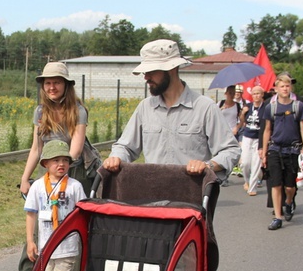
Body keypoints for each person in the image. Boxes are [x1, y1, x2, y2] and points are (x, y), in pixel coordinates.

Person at [6, 61, 99, 271]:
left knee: (72, 221)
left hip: (73, 168)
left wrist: (60, 171)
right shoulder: (40, 111)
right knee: (40, 216)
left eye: (56, 82)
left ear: (66, 85)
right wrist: (26, 178)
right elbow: (36, 148)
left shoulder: (78, 110)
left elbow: (75, 149)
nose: (51, 87)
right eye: (47, 83)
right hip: (48, 167)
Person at [103, 39, 240, 180]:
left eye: (151, 71)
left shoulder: (205, 107)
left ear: (172, 69)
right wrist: (116, 157)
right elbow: (125, 146)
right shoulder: (145, 108)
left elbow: (230, 150)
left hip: (190, 196)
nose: (146, 77)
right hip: (152, 196)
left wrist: (208, 166)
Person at [24, 140, 87, 271]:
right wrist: (30, 241)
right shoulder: (37, 187)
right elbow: (31, 214)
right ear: (45, 163)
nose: (61, 164)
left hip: (68, 248)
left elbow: (83, 214)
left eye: (65, 160)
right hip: (46, 248)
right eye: (56, 160)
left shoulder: (75, 186)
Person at [260, 73, 303, 230]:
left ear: (291, 88)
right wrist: (264, 152)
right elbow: (267, 130)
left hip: (292, 150)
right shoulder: (271, 107)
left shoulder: (298, 106)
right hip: (275, 149)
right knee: (276, 184)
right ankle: (277, 216)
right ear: (276, 88)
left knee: (289, 186)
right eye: (282, 86)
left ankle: (289, 202)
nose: (285, 89)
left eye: (287, 86)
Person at [239, 85, 265, 196]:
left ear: (262, 95)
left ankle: (252, 187)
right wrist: (243, 113)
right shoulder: (248, 106)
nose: (256, 96)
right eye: (254, 93)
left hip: (259, 138)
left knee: (256, 163)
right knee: (245, 163)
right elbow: (241, 120)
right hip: (247, 136)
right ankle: (247, 180)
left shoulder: (266, 107)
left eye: (258, 93)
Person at [218, 84, 244, 185]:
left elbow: (242, 120)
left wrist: (236, 128)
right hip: (221, 132)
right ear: (225, 93)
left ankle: (226, 175)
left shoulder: (237, 106)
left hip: (232, 133)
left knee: (230, 155)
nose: (231, 95)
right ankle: (221, 176)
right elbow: (213, 116)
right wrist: (221, 109)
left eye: (233, 93)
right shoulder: (220, 104)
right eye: (229, 93)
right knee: (220, 155)